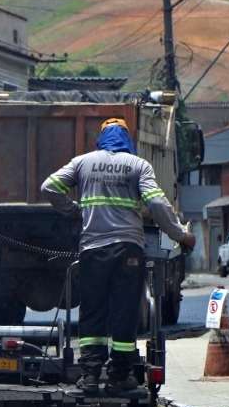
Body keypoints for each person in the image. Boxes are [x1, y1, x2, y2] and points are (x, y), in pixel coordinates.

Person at [41, 118, 196, 391]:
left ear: (101, 138)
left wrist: (74, 210)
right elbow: (158, 203)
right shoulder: (138, 165)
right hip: (128, 250)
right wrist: (180, 236)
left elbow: (50, 187)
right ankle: (119, 375)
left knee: (92, 310)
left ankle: (89, 375)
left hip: (92, 248)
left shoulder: (82, 162)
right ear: (127, 139)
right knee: (124, 311)